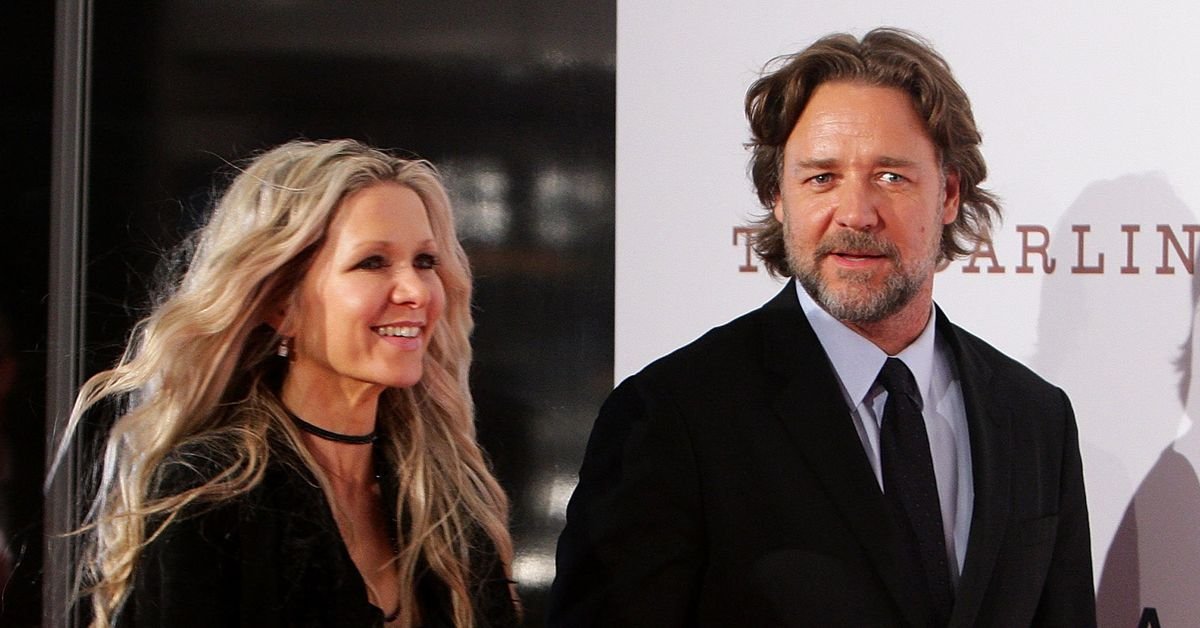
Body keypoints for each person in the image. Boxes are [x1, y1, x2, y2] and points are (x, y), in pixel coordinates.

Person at [549, 28, 1095, 627]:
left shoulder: (1034, 418)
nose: (856, 214)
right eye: (821, 178)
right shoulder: (673, 417)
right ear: (778, 197)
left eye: (891, 176)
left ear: (948, 194)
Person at [57, 139, 520, 627]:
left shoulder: (448, 499)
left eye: (425, 261)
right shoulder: (212, 490)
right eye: (373, 262)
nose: (416, 292)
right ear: (281, 305)